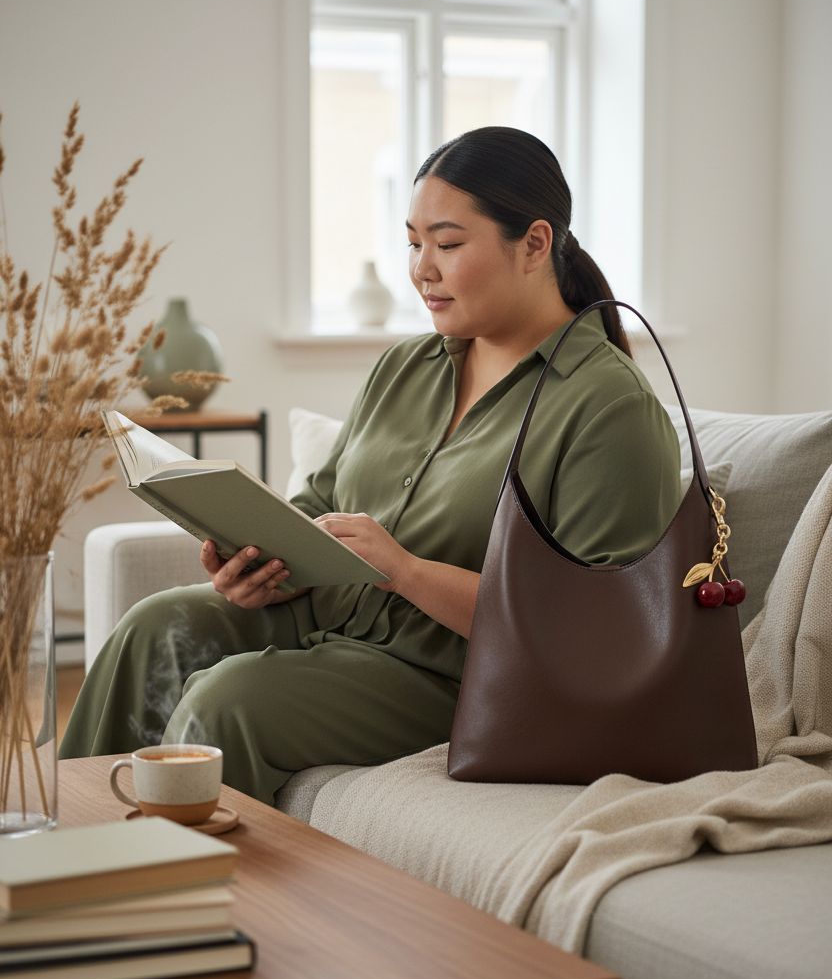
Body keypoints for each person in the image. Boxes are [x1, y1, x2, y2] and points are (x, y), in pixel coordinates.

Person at [60, 126, 681, 802]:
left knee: (232, 700)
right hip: (325, 620)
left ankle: (178, 897)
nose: (421, 269)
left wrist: (407, 572)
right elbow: (323, 498)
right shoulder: (403, 367)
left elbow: (594, 633)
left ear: (533, 244)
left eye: (447, 244)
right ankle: (71, 855)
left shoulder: (608, 407)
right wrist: (259, 559)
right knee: (154, 629)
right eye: (414, 243)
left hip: (457, 676)